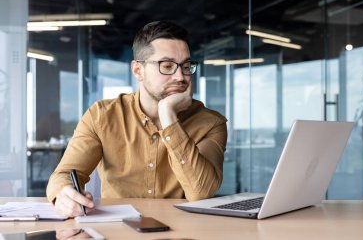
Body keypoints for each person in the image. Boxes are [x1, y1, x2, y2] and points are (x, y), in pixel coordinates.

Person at [46, 21, 228, 217]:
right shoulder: (102, 116)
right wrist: (63, 195)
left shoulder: (211, 123)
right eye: (167, 66)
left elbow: (201, 192)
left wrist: (168, 116)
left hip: (183, 230)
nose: (180, 76)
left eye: (186, 66)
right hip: (117, 230)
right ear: (138, 70)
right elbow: (63, 175)